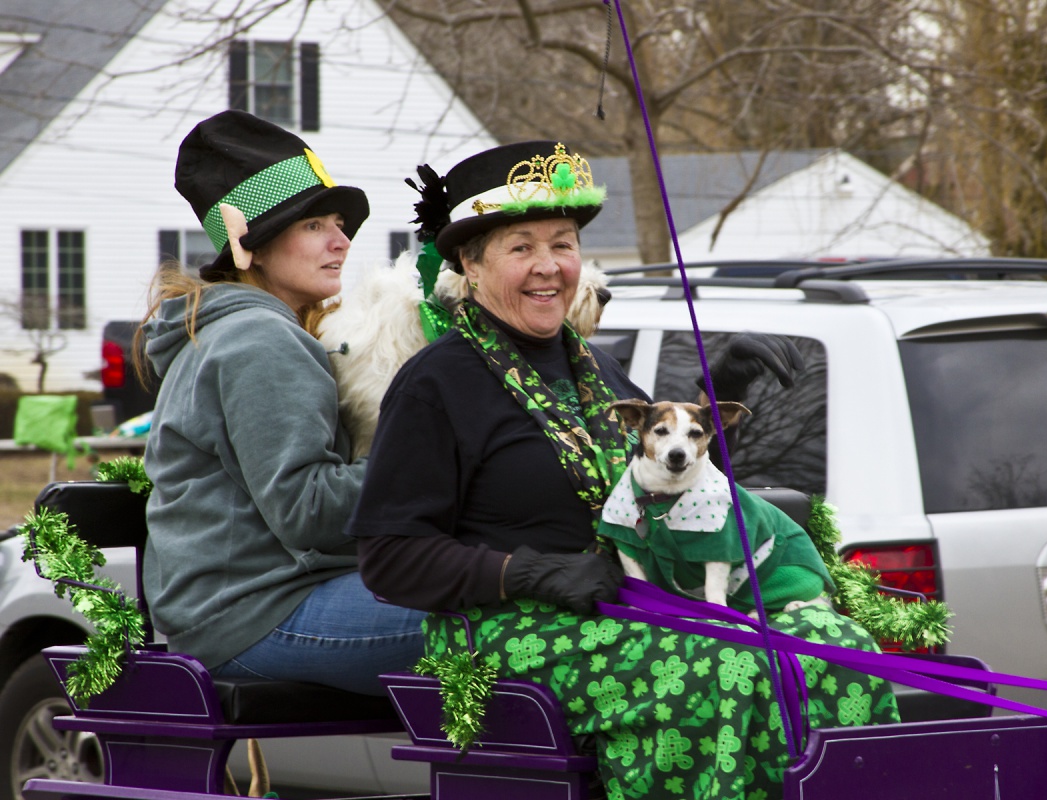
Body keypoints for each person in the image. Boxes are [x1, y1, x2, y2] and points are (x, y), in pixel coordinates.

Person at [348, 141, 899, 798]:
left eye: (563, 243)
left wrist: (717, 395)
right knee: (720, 666)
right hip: (510, 632)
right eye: (521, 247)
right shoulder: (435, 385)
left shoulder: (596, 369)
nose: (548, 267)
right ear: (469, 262)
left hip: (637, 601)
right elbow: (387, 555)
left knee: (834, 646)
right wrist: (527, 571)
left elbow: (658, 474)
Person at [135, 110, 425, 696]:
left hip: (244, 603)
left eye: (339, 223)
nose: (341, 241)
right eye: (314, 225)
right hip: (257, 614)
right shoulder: (260, 340)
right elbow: (309, 511)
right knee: (504, 623)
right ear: (252, 248)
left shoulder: (234, 329)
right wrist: (426, 464)